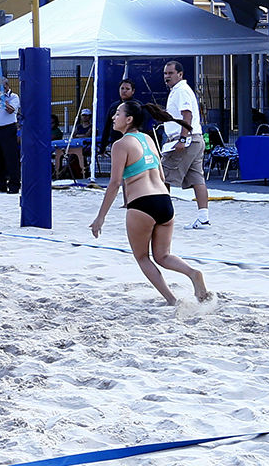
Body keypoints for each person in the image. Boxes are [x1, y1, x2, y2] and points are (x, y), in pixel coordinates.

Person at [87, 100, 213, 305]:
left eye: (117, 113)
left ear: (129, 120)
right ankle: (192, 273)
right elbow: (162, 175)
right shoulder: (148, 140)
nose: (113, 117)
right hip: (165, 202)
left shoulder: (120, 145)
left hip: (142, 204)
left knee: (142, 257)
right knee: (163, 256)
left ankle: (172, 300)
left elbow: (115, 183)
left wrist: (100, 217)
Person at [161, 59, 211, 228]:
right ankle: (204, 217)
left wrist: (182, 139)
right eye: (165, 74)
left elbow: (186, 115)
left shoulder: (181, 90)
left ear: (180, 74)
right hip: (196, 139)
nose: (167, 77)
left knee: (163, 176)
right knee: (197, 179)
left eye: (170, 73)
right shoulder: (178, 90)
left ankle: (162, 215)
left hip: (186, 140)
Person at [0, 79, 21, 193]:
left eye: (2, 86)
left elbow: (10, 110)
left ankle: (14, 185)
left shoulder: (14, 97)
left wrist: (0, 97)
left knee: (11, 158)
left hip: (8, 128)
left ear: (7, 85)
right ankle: (0, 185)